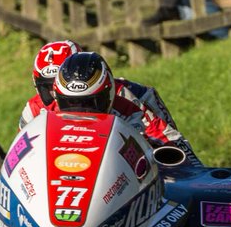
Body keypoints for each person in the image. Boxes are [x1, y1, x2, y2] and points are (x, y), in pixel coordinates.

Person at [17, 40, 180, 131]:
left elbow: (169, 144)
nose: (55, 92)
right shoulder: (33, 110)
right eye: (48, 87)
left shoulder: (124, 97)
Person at [51, 52, 190, 152]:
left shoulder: (129, 108)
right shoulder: (43, 111)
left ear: (109, 93)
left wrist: (148, 144)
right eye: (70, 103)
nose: (81, 112)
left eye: (90, 103)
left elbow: (174, 143)